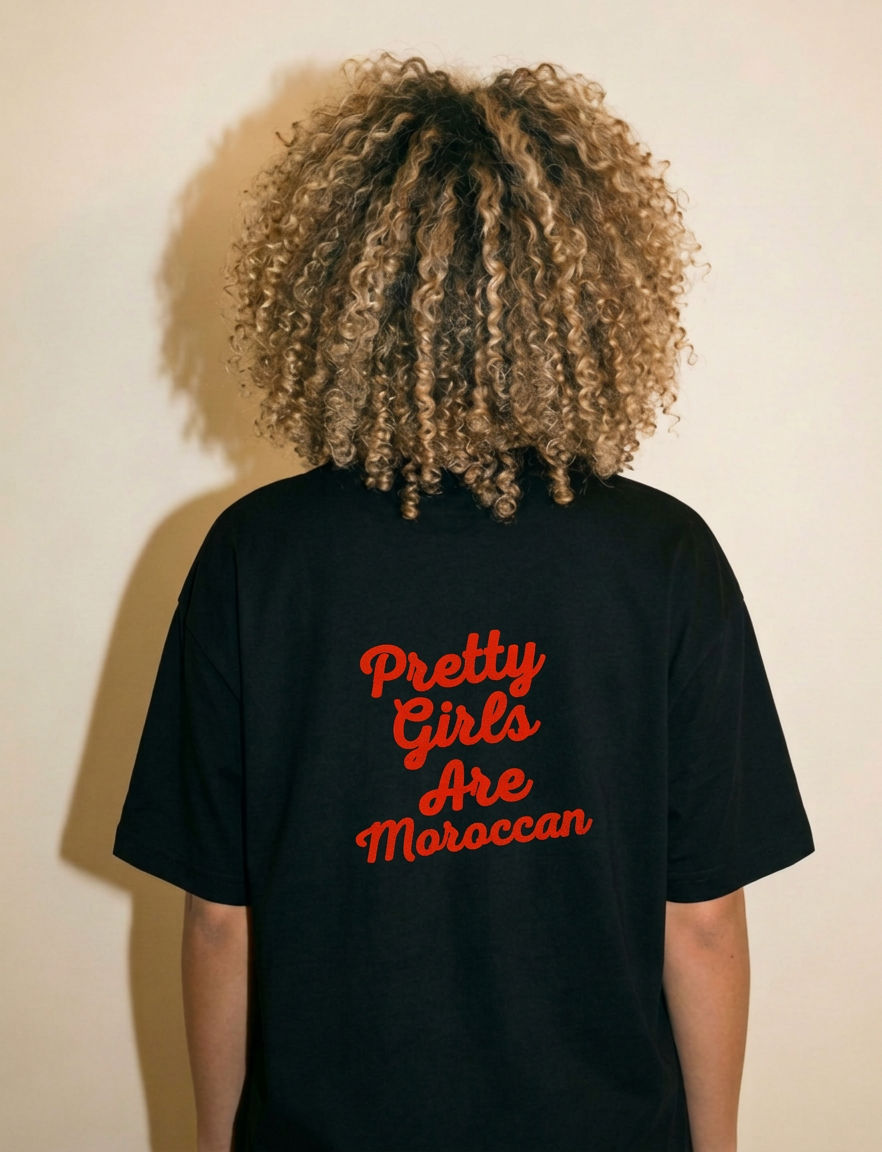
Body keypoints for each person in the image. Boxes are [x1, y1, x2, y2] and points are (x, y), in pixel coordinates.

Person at [114, 54, 814, 1152]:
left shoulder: (257, 557)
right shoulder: (661, 557)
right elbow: (705, 925)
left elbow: (216, 922)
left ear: (337, 296)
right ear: (584, 298)